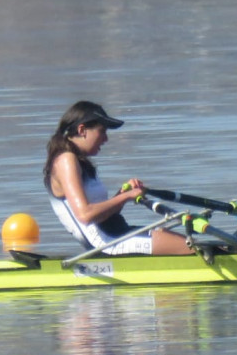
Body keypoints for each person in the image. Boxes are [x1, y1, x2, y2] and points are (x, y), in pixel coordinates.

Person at [44, 101, 193, 255]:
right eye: (102, 131)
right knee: (194, 249)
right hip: (106, 244)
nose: (106, 139)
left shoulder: (76, 162)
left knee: (203, 247)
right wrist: (127, 197)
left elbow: (102, 214)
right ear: (82, 130)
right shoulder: (66, 160)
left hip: (115, 233)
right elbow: (86, 215)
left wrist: (121, 194)